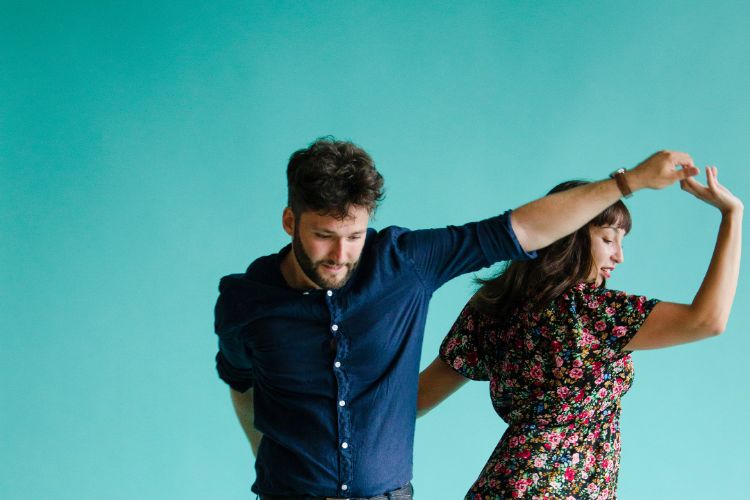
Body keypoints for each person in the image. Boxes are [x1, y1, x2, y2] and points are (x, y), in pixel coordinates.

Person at [213, 137, 699, 500]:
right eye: (324, 236)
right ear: (290, 221)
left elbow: (521, 229)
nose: (341, 255)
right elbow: (240, 383)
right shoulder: (245, 302)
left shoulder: (405, 264)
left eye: (355, 236)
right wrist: (269, 459)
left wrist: (629, 182)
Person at [417, 168, 742, 499]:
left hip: (504, 484)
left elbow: (417, 398)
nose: (619, 256)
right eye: (608, 239)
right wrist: (732, 215)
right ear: (569, 234)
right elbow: (707, 320)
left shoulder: (494, 304)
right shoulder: (589, 311)